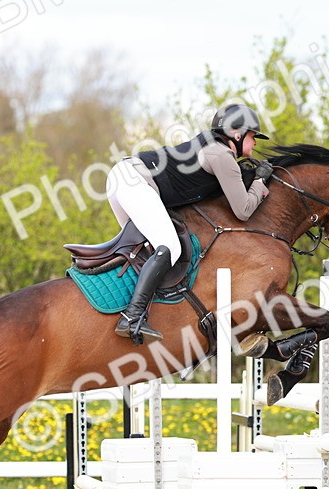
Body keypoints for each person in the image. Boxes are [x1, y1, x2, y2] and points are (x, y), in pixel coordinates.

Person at [105, 104, 274, 344]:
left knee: (144, 252)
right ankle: (132, 316)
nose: (255, 142)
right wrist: (259, 182)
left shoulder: (210, 148)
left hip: (123, 177)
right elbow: (244, 210)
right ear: (236, 134)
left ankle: (130, 309)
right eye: (252, 136)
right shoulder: (222, 154)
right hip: (134, 181)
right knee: (169, 248)